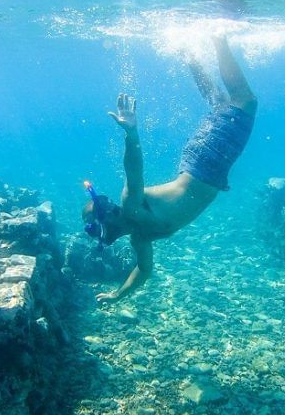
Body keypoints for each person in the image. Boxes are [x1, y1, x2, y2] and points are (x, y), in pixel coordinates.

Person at [83, 35, 257, 302]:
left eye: (98, 226)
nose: (102, 233)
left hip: (204, 164)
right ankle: (188, 48)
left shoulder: (131, 205)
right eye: (96, 231)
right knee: (220, 104)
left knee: (244, 101)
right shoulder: (140, 237)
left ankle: (218, 37)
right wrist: (118, 295)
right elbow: (143, 271)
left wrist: (132, 135)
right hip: (204, 167)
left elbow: (134, 170)